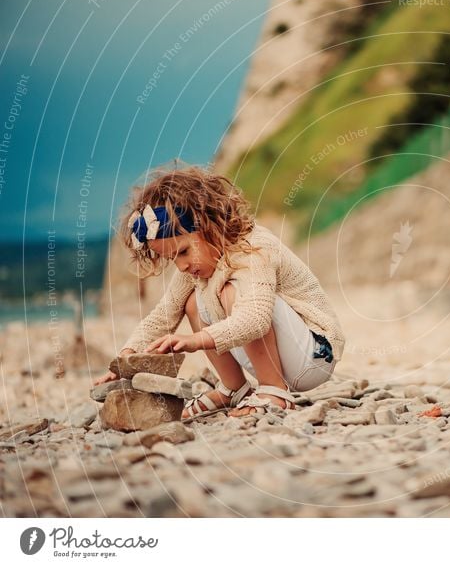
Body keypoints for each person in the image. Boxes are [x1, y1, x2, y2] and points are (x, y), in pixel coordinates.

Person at [92, 164, 345, 421]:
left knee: (230, 293)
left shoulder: (254, 249)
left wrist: (196, 340)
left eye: (183, 252)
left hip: (313, 355)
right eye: (171, 258)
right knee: (190, 302)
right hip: (281, 353)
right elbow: (163, 315)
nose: (181, 265)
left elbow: (256, 319)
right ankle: (234, 388)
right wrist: (126, 356)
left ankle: (275, 390)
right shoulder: (197, 267)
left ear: (209, 226)